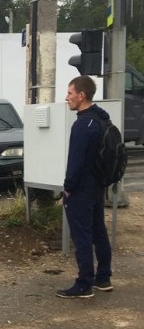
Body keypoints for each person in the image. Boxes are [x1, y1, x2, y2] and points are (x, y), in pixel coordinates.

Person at [56, 75, 113, 299]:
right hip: (97, 187)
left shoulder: (82, 125)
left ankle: (84, 284)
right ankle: (104, 277)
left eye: (70, 93)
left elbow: (76, 161)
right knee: (99, 232)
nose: (66, 97)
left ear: (82, 95)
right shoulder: (101, 120)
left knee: (82, 236)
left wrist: (68, 187)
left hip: (80, 190)